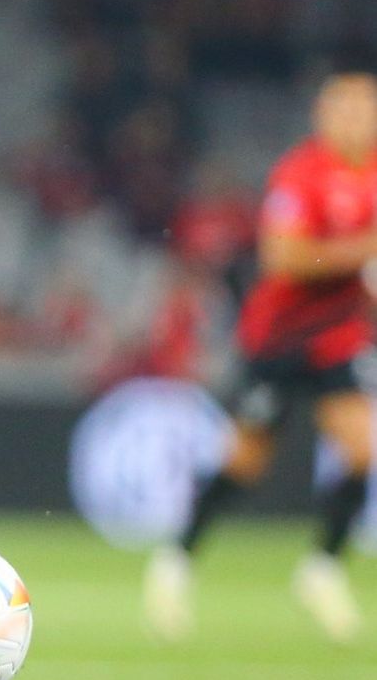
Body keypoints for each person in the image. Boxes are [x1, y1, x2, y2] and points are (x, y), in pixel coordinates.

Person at [144, 66, 377, 642]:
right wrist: (363, 250)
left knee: (360, 447)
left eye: (364, 108)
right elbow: (282, 257)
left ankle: (321, 570)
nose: (355, 118)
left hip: (338, 337)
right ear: (323, 116)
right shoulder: (301, 173)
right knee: (246, 459)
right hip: (277, 337)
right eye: (343, 107)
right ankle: (176, 560)